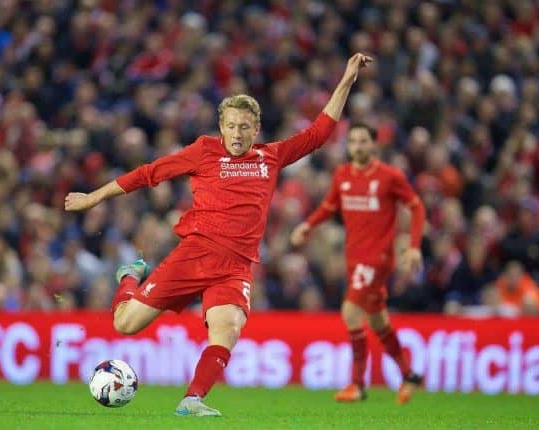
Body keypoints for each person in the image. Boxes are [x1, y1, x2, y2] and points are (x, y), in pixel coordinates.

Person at [65, 53, 373, 417]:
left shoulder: (270, 157)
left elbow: (319, 133)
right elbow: (148, 173)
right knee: (125, 324)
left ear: (256, 128)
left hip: (236, 267)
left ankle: (192, 399)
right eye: (231, 126)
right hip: (195, 253)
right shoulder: (203, 151)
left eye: (244, 126)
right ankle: (130, 276)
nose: (237, 134)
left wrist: (347, 79)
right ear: (221, 127)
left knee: (228, 330)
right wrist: (93, 197)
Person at [290, 122, 426, 404]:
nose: (358, 146)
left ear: (374, 145)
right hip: (354, 257)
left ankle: (357, 383)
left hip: (378, 257)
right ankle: (408, 374)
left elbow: (416, 206)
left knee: (350, 310)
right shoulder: (342, 175)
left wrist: (413, 247)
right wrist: (307, 225)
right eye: (353, 141)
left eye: (363, 141)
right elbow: (329, 206)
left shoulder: (389, 176)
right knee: (377, 319)